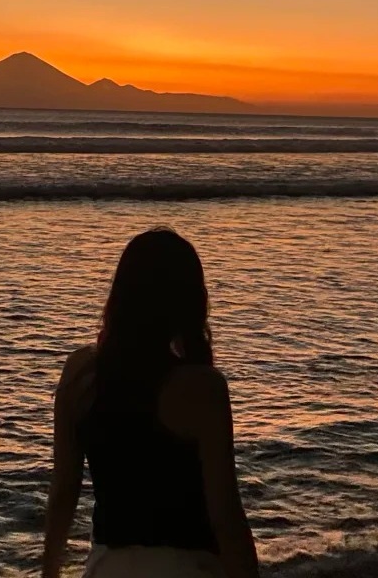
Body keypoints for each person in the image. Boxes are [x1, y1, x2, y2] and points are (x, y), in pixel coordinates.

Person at [41, 227, 260, 578]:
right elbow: (226, 518)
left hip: (108, 567)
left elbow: (64, 489)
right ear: (186, 303)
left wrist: (48, 572)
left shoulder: (80, 373)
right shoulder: (203, 388)